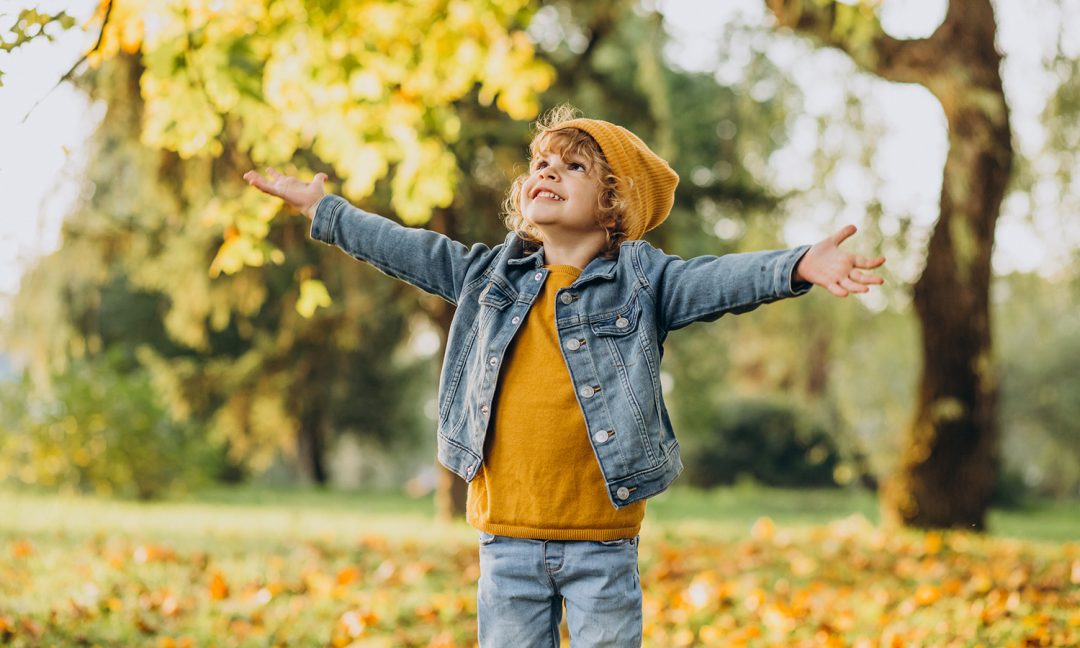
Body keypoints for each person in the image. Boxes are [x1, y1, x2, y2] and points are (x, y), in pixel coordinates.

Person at [244, 105, 885, 647]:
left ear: (614, 205)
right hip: (507, 543)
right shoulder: (486, 277)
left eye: (573, 166)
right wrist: (326, 211)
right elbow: (408, 247)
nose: (546, 171)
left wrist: (798, 264)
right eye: (541, 164)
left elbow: (717, 280)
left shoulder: (643, 281)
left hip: (601, 547)